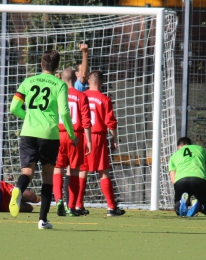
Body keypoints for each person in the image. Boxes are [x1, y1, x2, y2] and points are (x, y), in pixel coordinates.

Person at [9, 50, 78, 229]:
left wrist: (29, 119)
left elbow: (14, 107)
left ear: (41, 64)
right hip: (49, 135)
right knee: (48, 176)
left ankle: (18, 189)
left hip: (28, 133)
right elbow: (64, 112)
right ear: (57, 67)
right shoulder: (60, 84)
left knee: (27, 173)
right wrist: (71, 135)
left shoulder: (28, 81)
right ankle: (42, 220)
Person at [80, 70, 125, 216]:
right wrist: (115, 139)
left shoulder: (82, 95)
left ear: (88, 82)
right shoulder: (105, 99)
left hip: (82, 136)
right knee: (103, 172)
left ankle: (77, 205)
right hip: (98, 137)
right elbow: (110, 123)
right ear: (102, 83)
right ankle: (112, 207)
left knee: (82, 171)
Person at [53, 69, 91, 217]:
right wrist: (88, 140)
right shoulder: (81, 96)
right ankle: (71, 206)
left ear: (62, 80)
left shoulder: (57, 95)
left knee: (57, 169)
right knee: (74, 170)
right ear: (73, 79)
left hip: (58, 134)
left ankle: (58, 200)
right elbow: (86, 120)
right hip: (75, 135)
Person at [168, 136, 206, 217]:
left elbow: (173, 179)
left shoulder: (174, 156)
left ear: (178, 147)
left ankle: (181, 202)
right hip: (199, 178)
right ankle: (199, 206)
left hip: (181, 180)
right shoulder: (200, 149)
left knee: (178, 210)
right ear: (190, 144)